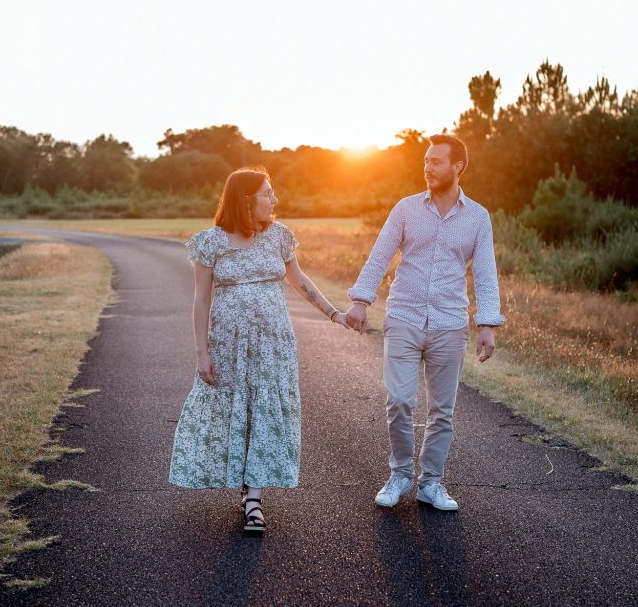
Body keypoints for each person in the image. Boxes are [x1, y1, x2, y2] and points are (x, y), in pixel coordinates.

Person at [169, 167, 350, 533]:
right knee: (235, 410)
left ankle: (254, 499)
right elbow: (201, 300)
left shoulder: (279, 237)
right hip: (228, 345)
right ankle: (242, 481)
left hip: (273, 345)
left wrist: (334, 313)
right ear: (246, 199)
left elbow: (299, 282)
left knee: (267, 410)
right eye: (268, 193)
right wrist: (202, 353)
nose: (274, 200)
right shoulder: (211, 243)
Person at [345, 134, 505, 511]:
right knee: (399, 400)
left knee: (441, 410)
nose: (428, 167)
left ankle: (431, 483)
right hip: (403, 316)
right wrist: (360, 300)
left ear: (457, 167)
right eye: (426, 160)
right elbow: (380, 254)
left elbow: (485, 273)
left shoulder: (478, 218)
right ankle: (400, 474)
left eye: (436, 161)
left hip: (449, 323)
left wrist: (486, 325)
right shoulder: (406, 209)